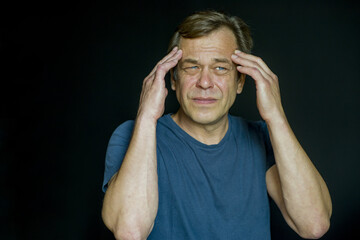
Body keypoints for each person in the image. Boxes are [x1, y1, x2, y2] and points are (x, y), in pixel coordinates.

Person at [101, 10, 332, 240]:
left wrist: (276, 116)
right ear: (173, 79)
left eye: (220, 68)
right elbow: (130, 232)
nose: (204, 82)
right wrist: (146, 117)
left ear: (240, 81)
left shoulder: (263, 138)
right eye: (191, 67)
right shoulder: (132, 135)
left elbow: (314, 224)